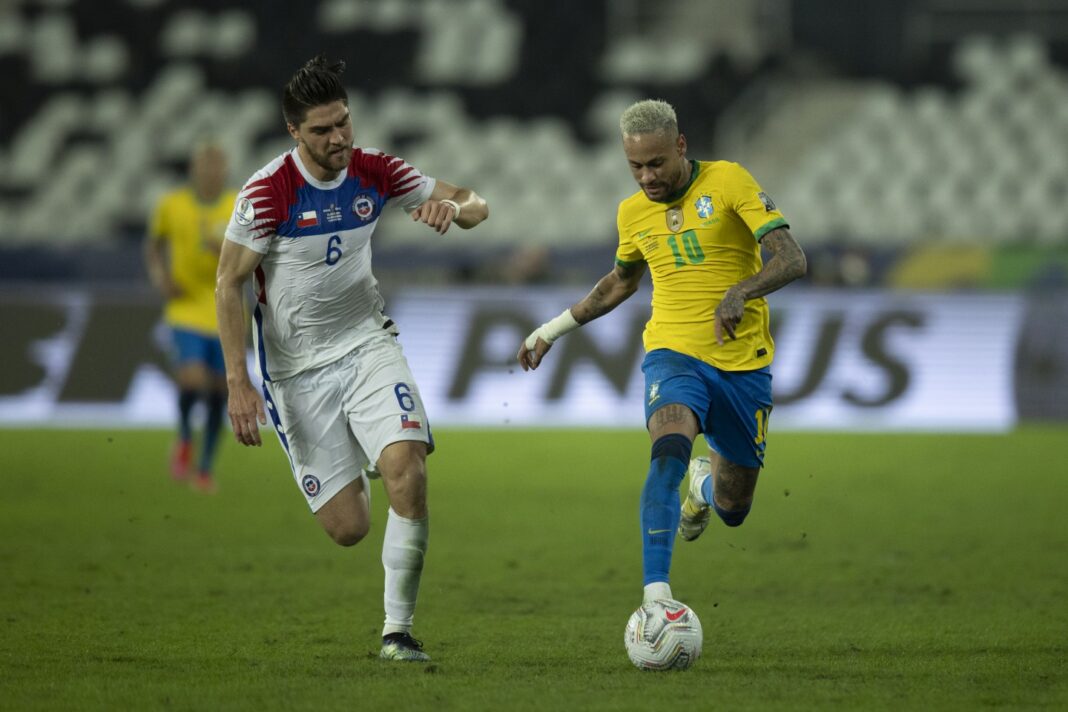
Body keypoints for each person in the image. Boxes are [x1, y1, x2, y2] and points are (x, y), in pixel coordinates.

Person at [215, 55, 488, 662]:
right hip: (295, 373)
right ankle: (371, 449)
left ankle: (397, 632)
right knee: (349, 529)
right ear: (294, 132)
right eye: (322, 130)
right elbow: (228, 282)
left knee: (409, 470)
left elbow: (475, 202)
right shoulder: (267, 193)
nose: (339, 138)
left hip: (368, 345)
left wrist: (456, 210)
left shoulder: (375, 170)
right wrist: (238, 382)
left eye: (343, 122)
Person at [517, 99, 806, 606]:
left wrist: (742, 290)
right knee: (667, 451)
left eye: (656, 163)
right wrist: (551, 329)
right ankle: (657, 599)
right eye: (635, 167)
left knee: (734, 506)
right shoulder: (632, 214)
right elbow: (619, 284)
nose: (646, 177)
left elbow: (792, 258)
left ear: (680, 146)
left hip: (743, 365)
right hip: (671, 355)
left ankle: (704, 488)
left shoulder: (730, 181)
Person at [145, 140, 237, 493]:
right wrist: (160, 276)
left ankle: (205, 467)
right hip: (184, 306)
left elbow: (258, 250)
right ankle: (184, 436)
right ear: (193, 170)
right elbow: (153, 244)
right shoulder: (172, 205)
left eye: (217, 165)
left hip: (224, 306)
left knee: (219, 391)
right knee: (193, 379)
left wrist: (229, 252)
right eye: (205, 165)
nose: (211, 172)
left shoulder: (237, 205)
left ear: (224, 171)